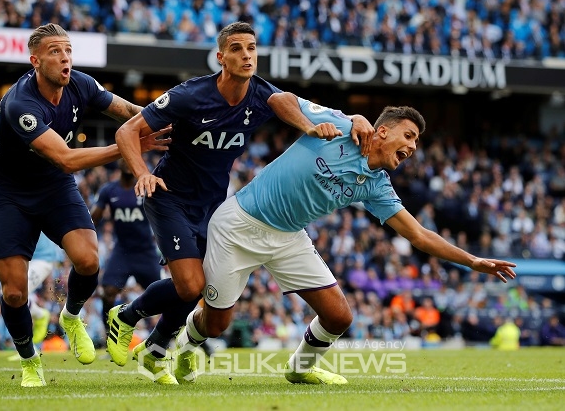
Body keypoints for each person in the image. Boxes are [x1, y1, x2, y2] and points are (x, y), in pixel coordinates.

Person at [176, 98, 517, 384]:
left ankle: (301, 369)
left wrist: (473, 261)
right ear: (382, 131)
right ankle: (188, 342)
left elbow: (419, 235)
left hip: (288, 237)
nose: (413, 147)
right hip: (239, 225)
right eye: (409, 136)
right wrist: (313, 124)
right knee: (216, 325)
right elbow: (279, 100)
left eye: (416, 142)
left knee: (339, 317)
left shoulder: (376, 186)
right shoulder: (341, 126)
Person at [107, 21, 374, 385]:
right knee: (189, 285)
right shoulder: (190, 95)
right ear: (221, 57)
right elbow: (127, 131)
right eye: (236, 48)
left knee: (198, 285)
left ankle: (155, 351)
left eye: (251, 47)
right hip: (167, 194)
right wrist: (141, 172)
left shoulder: (263, 95)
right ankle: (125, 317)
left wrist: (355, 117)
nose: (246, 54)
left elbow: (309, 108)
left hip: (213, 206)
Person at [0, 23, 170, 387]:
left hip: (54, 188)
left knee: (88, 260)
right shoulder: (21, 103)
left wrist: (158, 120)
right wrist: (130, 147)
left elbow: (127, 111)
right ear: (35, 60)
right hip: (9, 194)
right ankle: (29, 360)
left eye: (67, 50)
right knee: (15, 291)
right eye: (55, 51)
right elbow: (66, 158)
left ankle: (71, 316)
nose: (65, 57)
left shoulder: (81, 83)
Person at [90, 159, 161, 334]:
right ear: (120, 163)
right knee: (108, 292)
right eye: (125, 159)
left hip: (145, 251)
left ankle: (167, 338)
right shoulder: (109, 190)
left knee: (163, 296)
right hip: (122, 250)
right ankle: (109, 336)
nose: (129, 163)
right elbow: (94, 218)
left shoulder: (145, 187)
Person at [6, 231, 65, 361]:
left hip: (42, 259)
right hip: (24, 258)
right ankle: (39, 314)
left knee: (16, 293)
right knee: (8, 295)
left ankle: (29, 348)